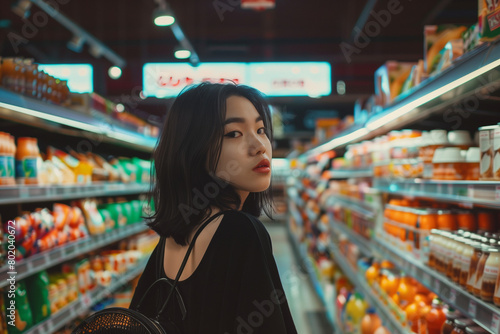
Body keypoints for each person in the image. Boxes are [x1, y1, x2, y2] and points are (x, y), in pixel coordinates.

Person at [129, 82, 298, 334]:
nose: (259, 145)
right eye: (233, 134)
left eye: (261, 129)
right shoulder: (239, 230)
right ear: (194, 150)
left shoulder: (172, 238)